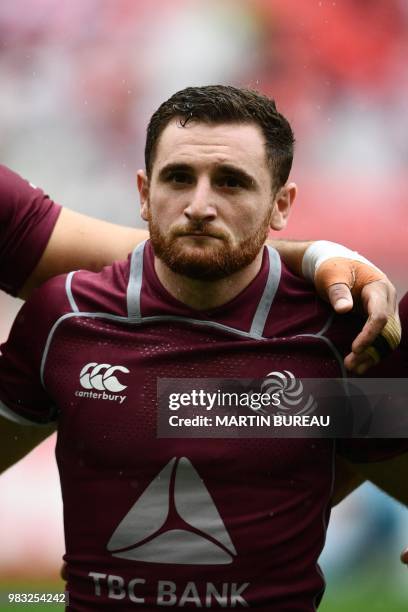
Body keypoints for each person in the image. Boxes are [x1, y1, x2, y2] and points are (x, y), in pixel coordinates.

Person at [0, 85, 406, 610]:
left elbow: (391, 454)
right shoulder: (64, 319)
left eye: (232, 183)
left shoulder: (337, 338)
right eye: (178, 178)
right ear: (143, 193)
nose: (198, 206)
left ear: (282, 204)